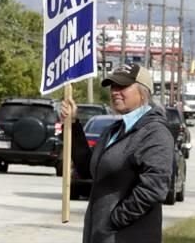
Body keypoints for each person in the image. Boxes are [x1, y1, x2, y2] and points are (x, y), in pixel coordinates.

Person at [61, 63, 174, 243]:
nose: (115, 92)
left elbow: (154, 189)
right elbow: (88, 169)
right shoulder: (113, 130)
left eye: (123, 86)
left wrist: (113, 220)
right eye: (113, 86)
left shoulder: (155, 133)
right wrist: (73, 125)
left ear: (143, 92)